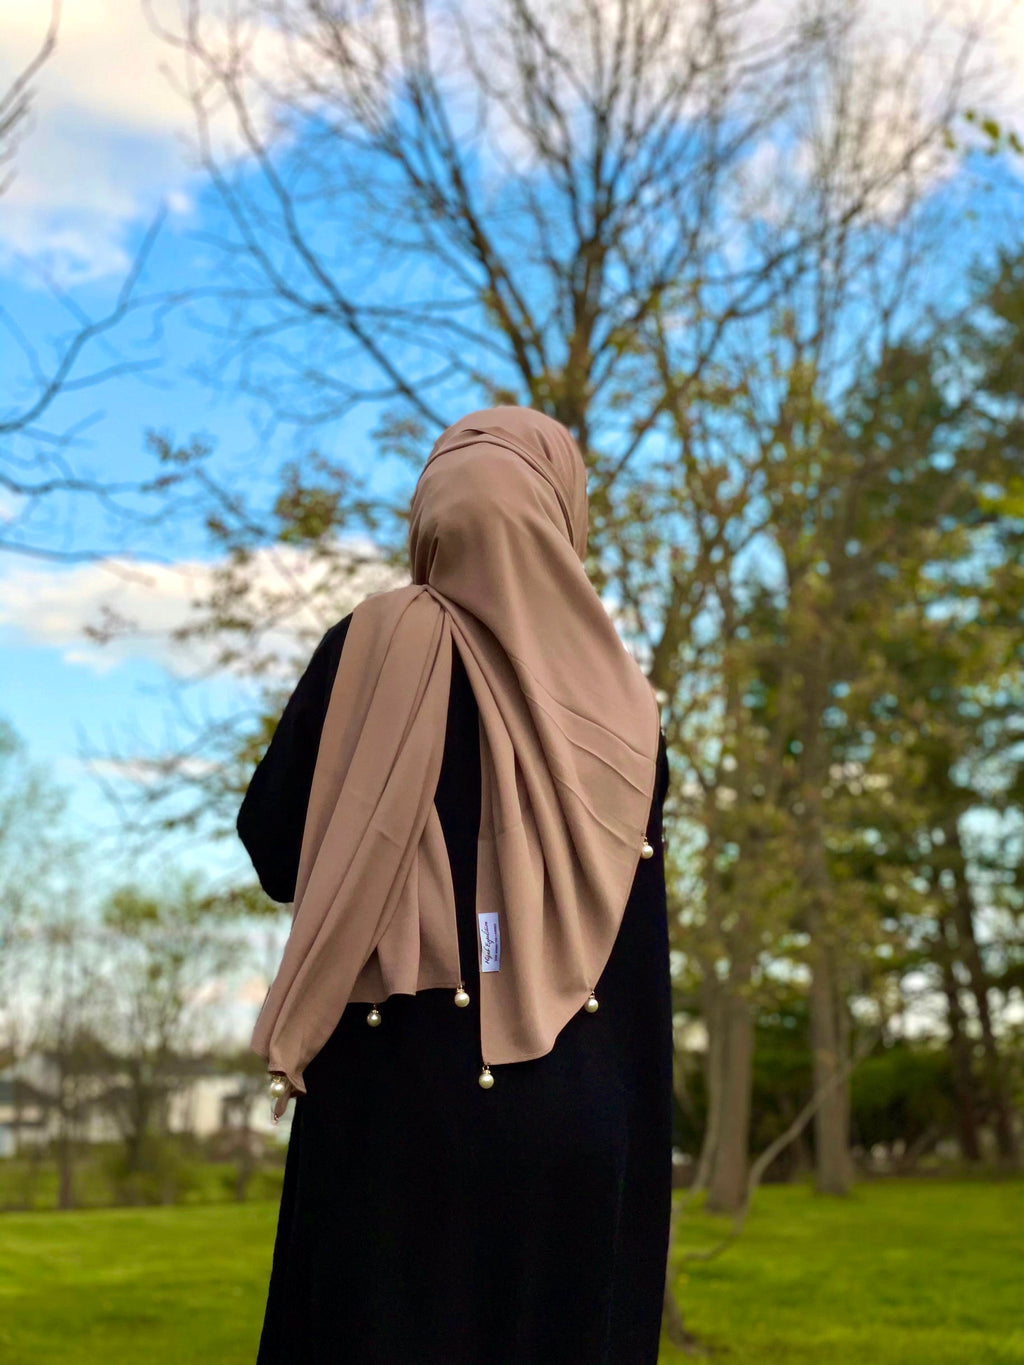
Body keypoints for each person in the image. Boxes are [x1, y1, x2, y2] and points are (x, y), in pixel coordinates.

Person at [236, 406, 673, 1364]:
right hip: (578, 1107)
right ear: (560, 513)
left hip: (391, 1105)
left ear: (431, 517)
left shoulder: (369, 643)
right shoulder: (623, 700)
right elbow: (636, 944)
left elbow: (273, 849)